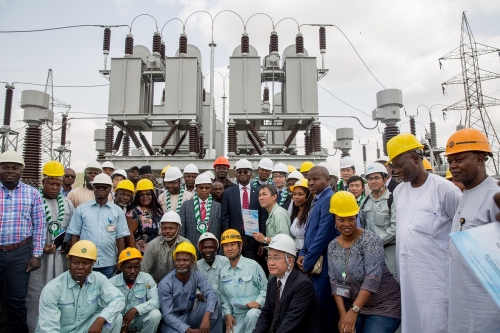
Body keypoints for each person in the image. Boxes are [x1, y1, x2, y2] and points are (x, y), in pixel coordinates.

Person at [387, 133, 461, 333]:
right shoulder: (399, 192)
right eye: (393, 166)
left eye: (400, 164)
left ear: (416, 159)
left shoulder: (445, 190)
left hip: (437, 282)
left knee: (436, 325)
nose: (396, 170)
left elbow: (462, 233)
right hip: (409, 279)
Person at [444, 128, 500, 332]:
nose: (453, 166)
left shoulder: (494, 196)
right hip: (462, 303)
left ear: (480, 158)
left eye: (459, 159)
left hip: (486, 308)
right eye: (450, 161)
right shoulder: (465, 194)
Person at [328, 191, 401, 333]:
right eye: (341, 220)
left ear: (357, 217)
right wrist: (343, 314)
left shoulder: (370, 240)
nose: (346, 224)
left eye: (351, 219)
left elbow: (372, 279)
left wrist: (353, 311)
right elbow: (334, 282)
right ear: (334, 220)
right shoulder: (333, 246)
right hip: (356, 306)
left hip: (384, 305)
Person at [26, 160, 75, 332]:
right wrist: (39, 248)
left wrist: (66, 243)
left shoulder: (67, 204)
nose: (55, 187)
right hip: (38, 258)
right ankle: (34, 328)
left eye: (58, 184)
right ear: (43, 182)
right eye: (51, 183)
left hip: (59, 258)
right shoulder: (34, 200)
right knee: (35, 295)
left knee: (58, 294)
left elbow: (71, 228)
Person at [35, 240, 125, 333]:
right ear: (69, 263)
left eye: (85, 263)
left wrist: (101, 319)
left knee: (116, 318)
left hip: (84, 328)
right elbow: (49, 329)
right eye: (76, 262)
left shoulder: (98, 279)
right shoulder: (52, 289)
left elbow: (118, 299)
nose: (80, 267)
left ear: (92, 266)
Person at [0, 150, 45, 332]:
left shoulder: (32, 193)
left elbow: (39, 225)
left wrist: (36, 254)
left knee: (17, 300)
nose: (10, 171)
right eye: (5, 167)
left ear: (21, 171)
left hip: (20, 253)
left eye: (15, 167)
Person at [297, 165, 339, 332]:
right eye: (309, 180)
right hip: (313, 260)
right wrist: (302, 253)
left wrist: (308, 261)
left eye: (315, 179)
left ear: (327, 180)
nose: (311, 183)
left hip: (324, 263)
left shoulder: (329, 198)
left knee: (323, 307)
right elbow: (310, 231)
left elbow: (323, 234)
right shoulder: (317, 198)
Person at [253, 234, 322, 333]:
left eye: (276, 258)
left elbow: (291, 323)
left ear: (290, 261)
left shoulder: (302, 284)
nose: (270, 263)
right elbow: (266, 315)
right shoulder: (272, 283)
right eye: (269, 257)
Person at [67, 173, 130, 279]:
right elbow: (75, 235)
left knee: (106, 293)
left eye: (104, 187)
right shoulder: (82, 209)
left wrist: (120, 259)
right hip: (85, 260)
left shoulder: (117, 211)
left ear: (110, 188)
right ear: (93, 188)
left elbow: (120, 237)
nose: (101, 189)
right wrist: (73, 259)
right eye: (97, 187)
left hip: (108, 262)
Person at [158, 242, 222, 333]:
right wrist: (188, 330)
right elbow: (167, 315)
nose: (181, 263)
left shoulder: (196, 275)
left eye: (185, 260)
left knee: (216, 306)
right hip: (173, 320)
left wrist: (206, 316)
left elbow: (211, 293)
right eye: (178, 260)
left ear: (192, 262)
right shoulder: (165, 283)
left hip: (191, 313)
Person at [218, 229, 267, 333]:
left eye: (232, 244)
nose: (229, 248)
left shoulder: (253, 266)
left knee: (252, 315)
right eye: (226, 245)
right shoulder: (223, 272)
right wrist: (228, 314)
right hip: (237, 315)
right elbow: (224, 297)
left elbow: (266, 289)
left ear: (240, 246)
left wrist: (258, 302)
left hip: (255, 312)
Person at [221, 159, 267, 260]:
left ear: (251, 174)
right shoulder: (228, 193)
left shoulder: (259, 192)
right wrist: (228, 239)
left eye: (246, 171)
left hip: (254, 239)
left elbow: (263, 218)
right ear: (236, 174)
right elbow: (225, 218)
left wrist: (262, 243)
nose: (242, 174)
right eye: (239, 172)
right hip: (234, 237)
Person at [109, 247, 161, 333]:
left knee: (155, 314)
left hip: (137, 319)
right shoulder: (111, 283)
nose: (133, 271)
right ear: (121, 267)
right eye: (128, 267)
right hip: (118, 321)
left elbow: (156, 301)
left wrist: (134, 310)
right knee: (116, 319)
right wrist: (120, 322)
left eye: (136, 267)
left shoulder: (146, 279)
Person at [358, 163, 397, 279]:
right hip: (369, 253)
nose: (373, 181)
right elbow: (361, 226)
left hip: (388, 252)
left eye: (376, 178)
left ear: (385, 179)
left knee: (392, 283)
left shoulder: (392, 199)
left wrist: (376, 242)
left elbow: (395, 227)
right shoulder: (365, 201)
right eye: (370, 178)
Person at [141, 211, 190, 284]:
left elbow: (193, 271)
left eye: (171, 228)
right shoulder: (152, 245)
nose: (167, 231)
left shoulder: (186, 244)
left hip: (181, 285)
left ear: (178, 230)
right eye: (164, 228)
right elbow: (144, 273)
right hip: (156, 286)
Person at [180, 174, 222, 248]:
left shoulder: (218, 207)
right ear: (195, 188)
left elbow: (221, 230)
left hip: (212, 248)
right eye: (201, 187)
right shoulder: (186, 206)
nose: (204, 190)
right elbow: (181, 230)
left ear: (211, 189)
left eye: (207, 187)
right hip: (191, 246)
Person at [126, 179, 164, 253]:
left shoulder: (158, 210)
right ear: (138, 197)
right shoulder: (133, 212)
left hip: (158, 251)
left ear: (152, 195)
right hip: (142, 253)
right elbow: (129, 234)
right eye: (142, 195)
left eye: (148, 194)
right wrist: (134, 254)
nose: (145, 197)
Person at [196, 233, 229, 304]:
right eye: (204, 248)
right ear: (200, 249)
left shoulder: (225, 261)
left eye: (211, 247)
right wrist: (198, 293)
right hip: (206, 305)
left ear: (216, 248)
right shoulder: (197, 266)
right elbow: (193, 284)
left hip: (226, 303)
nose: (208, 250)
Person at [289, 178, 313, 255]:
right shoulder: (295, 213)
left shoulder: (311, 214)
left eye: (300, 194)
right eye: (294, 194)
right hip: (294, 252)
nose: (296, 197)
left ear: (308, 196)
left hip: (307, 253)